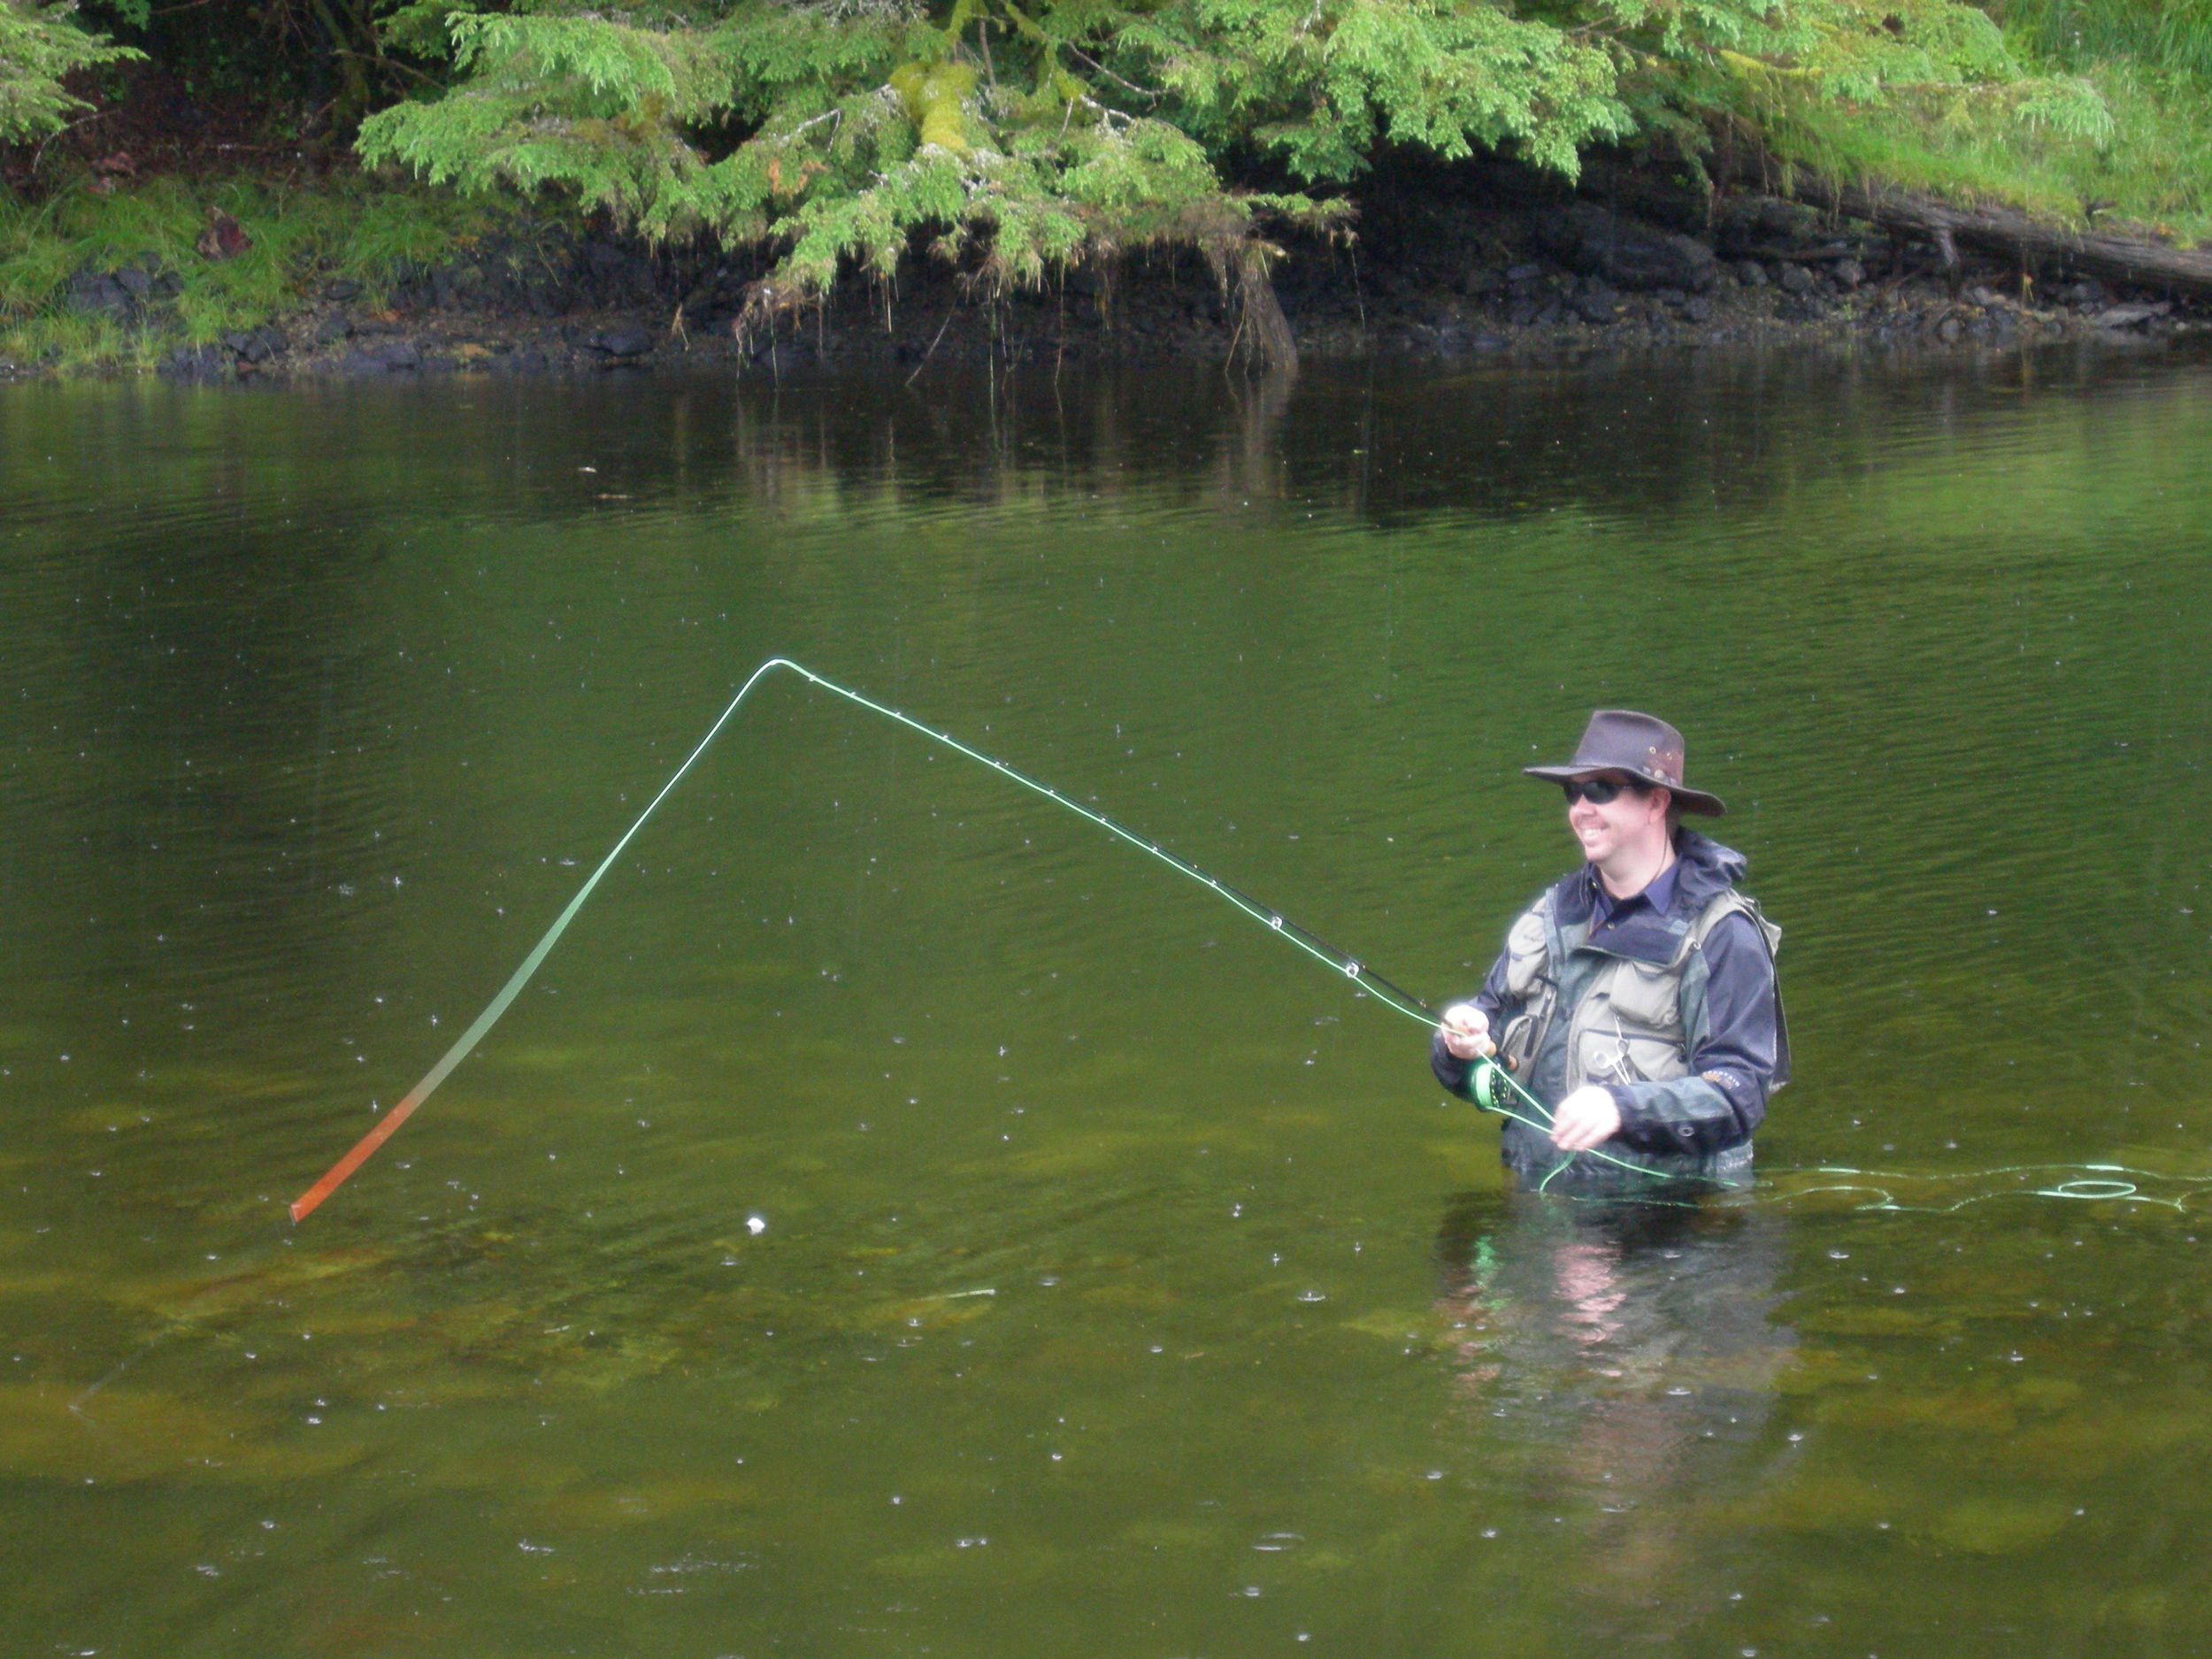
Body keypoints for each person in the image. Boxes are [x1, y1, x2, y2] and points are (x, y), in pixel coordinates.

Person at [1431, 710, 1786, 1186]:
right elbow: (1479, 1045)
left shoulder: (1723, 934)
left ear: (1656, 803)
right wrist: (1459, 1043)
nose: (1581, 808)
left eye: (1600, 790)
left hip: (1670, 1223)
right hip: (1538, 1205)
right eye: (1572, 792)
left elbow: (1738, 1094)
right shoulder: (1553, 912)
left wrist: (1622, 1109)